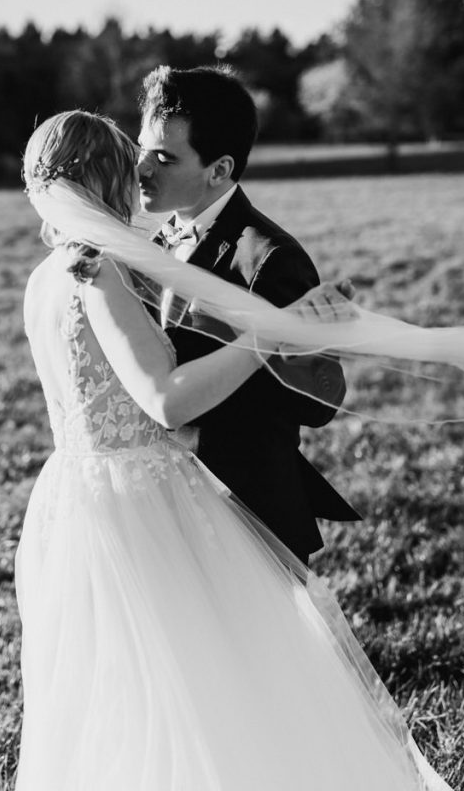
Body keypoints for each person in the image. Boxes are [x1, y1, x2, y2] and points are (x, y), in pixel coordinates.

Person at [14, 108, 451, 790]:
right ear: (105, 179)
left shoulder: (45, 277)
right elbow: (165, 400)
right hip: (141, 500)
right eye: (129, 169)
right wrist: (264, 337)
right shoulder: (95, 272)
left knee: (123, 685)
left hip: (74, 495)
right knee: (200, 679)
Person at [137, 64, 359, 566]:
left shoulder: (270, 258)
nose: (142, 169)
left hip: (246, 511)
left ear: (219, 170)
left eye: (165, 158)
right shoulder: (147, 244)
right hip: (161, 505)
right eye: (142, 149)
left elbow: (314, 405)